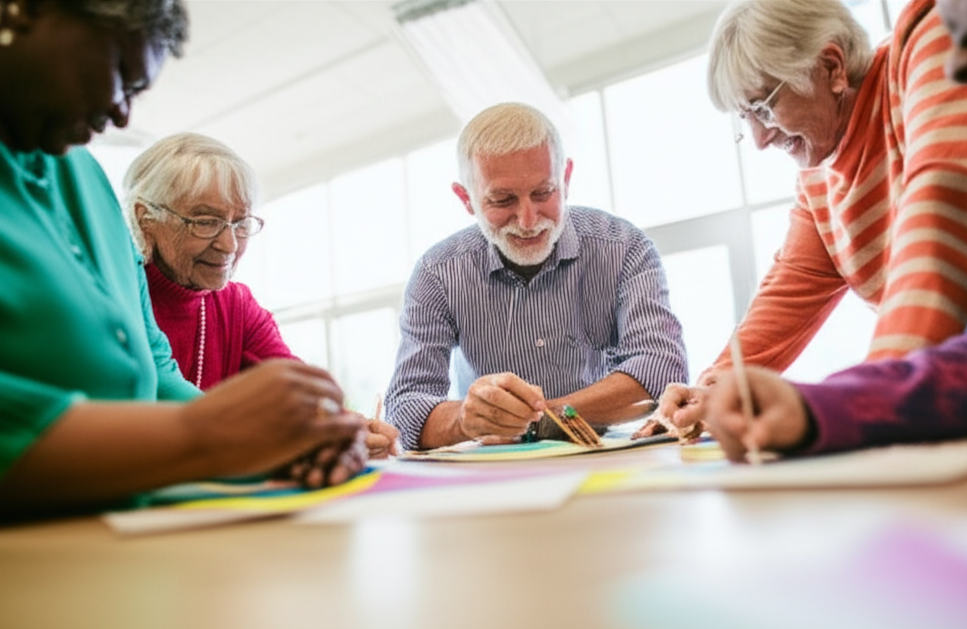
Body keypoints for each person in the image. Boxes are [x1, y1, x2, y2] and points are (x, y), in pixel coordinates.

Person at [0, 0, 367, 519]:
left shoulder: (86, 178)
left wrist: (291, 440)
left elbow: (154, 370)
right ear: (24, 10)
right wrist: (210, 434)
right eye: (120, 70)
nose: (121, 114)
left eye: (136, 91)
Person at [643, 0, 967, 437]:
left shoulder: (931, 37)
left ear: (832, 68)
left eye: (763, 107)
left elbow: (943, 226)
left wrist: (877, 401)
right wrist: (712, 390)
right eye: (745, 118)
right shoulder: (818, 181)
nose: (759, 140)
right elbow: (784, 298)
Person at [385, 102, 688, 450]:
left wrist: (540, 419)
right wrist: (463, 421)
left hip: (607, 458)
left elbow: (662, 370)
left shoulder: (625, 248)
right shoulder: (437, 273)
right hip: (493, 468)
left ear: (566, 179)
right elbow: (404, 408)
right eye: (502, 200)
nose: (528, 221)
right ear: (466, 198)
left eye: (544, 193)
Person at [123, 132, 400, 458]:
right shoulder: (116, 294)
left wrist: (346, 428)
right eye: (206, 221)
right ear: (146, 218)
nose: (229, 245)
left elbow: (296, 391)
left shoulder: (237, 304)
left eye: (240, 223)